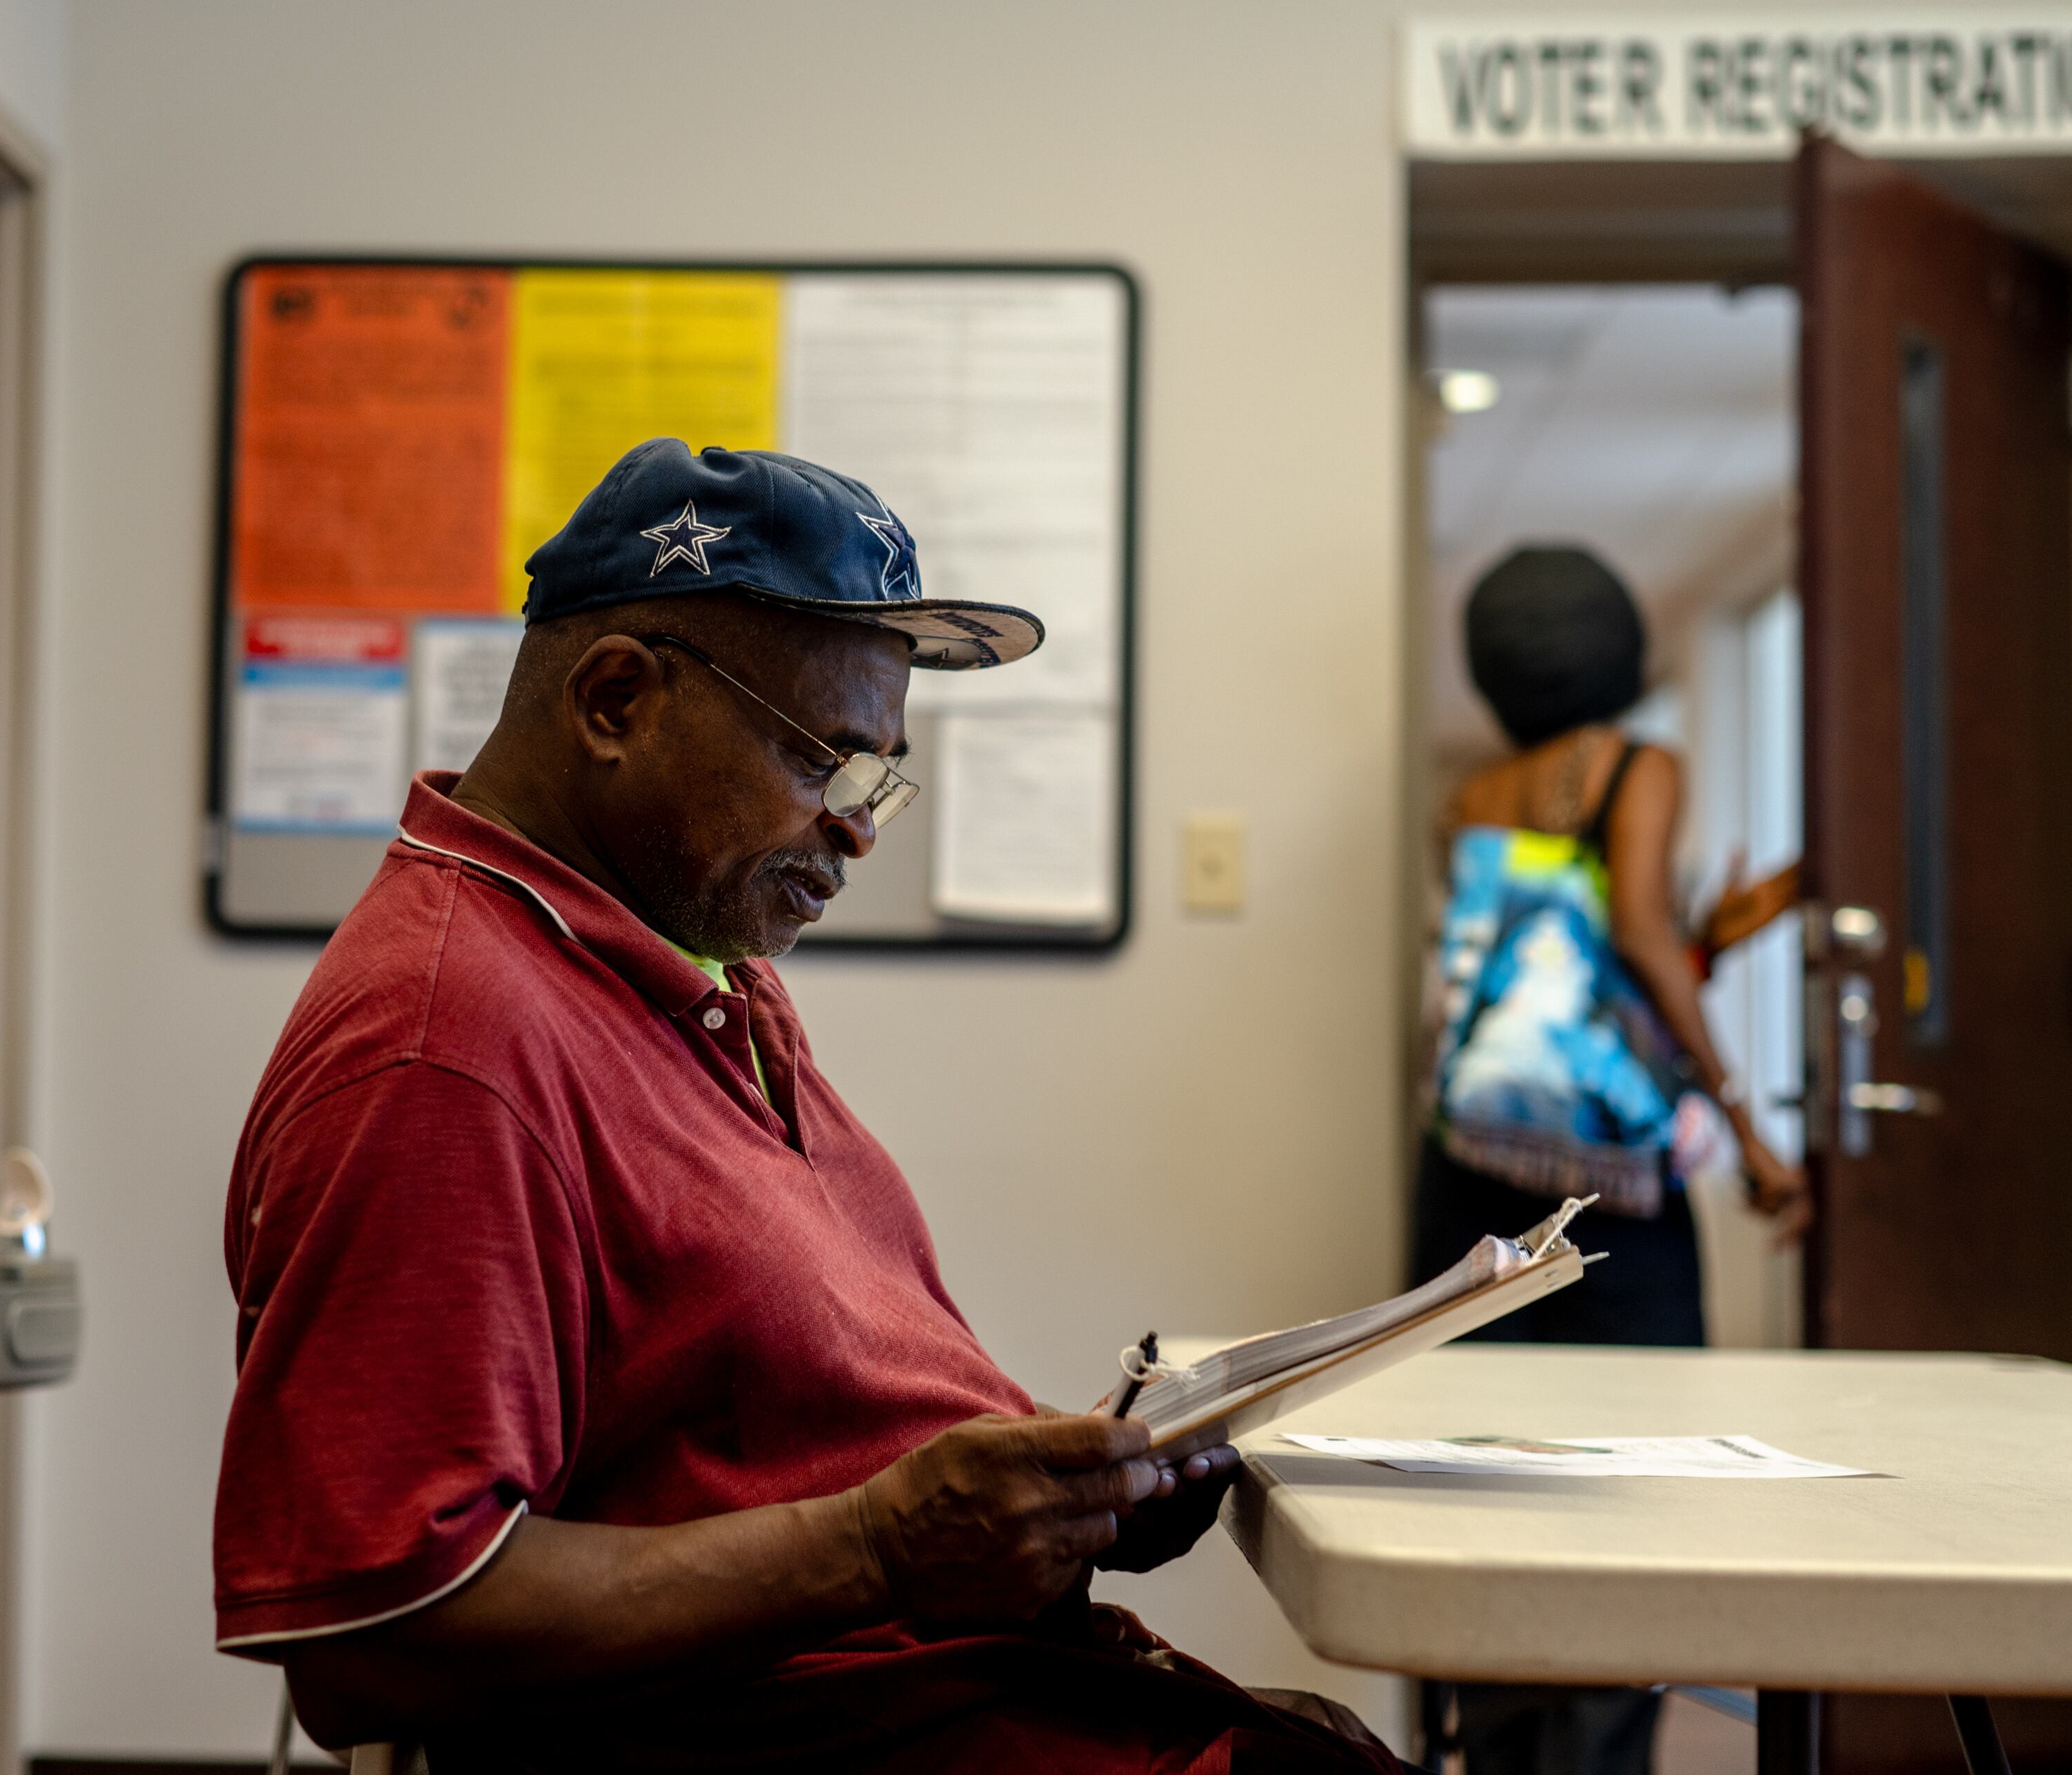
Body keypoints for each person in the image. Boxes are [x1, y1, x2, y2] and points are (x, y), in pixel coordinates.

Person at [214, 438, 1412, 1773]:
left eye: (877, 776)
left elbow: (772, 1409)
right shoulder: (442, 1052)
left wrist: (1057, 1499)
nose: (860, 828)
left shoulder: (687, 965)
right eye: (821, 761)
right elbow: (375, 1638)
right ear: (616, 701)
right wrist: (878, 1547)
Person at [1409, 545, 1807, 1775]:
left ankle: (1496, 1747)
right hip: (1609, 1198)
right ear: (1618, 646)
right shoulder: (1644, 767)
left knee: (1486, 1484)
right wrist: (1746, 1126)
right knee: (1628, 1482)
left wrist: (1705, 948)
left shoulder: (1466, 800)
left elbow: (1545, 969)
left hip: (1468, 1171)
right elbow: (1629, 934)